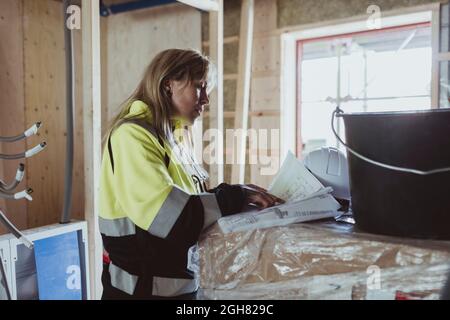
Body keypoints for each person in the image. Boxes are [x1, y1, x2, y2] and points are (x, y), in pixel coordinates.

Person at [99, 48, 283, 299]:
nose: (206, 99)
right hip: (139, 292)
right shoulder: (133, 136)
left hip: (178, 289)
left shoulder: (172, 138)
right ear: (168, 85)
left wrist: (234, 197)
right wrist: (234, 196)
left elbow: (191, 202)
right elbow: (173, 218)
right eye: (200, 87)